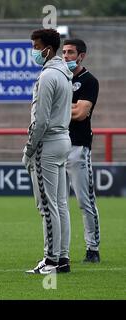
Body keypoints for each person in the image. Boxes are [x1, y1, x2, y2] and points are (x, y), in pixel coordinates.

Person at [23, 29, 73, 274]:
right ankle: (62, 258)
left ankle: (51, 260)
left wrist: (29, 149)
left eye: (36, 47)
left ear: (47, 49)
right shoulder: (64, 74)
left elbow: (40, 120)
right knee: (60, 204)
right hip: (64, 139)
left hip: (49, 144)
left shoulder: (47, 76)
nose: (33, 52)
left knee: (47, 206)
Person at [62, 39, 101, 263]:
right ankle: (58, 251)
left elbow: (81, 114)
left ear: (81, 56)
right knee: (58, 203)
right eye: (64, 52)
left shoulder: (89, 81)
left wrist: (58, 108)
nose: (66, 56)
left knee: (84, 201)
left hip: (78, 146)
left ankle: (92, 248)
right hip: (57, 146)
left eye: (70, 52)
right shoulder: (59, 78)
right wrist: (72, 106)